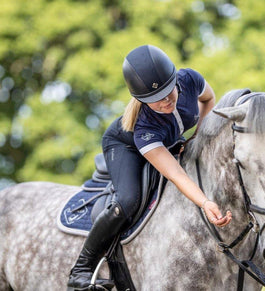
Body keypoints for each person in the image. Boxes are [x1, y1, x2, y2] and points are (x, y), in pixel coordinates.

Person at [67, 45, 232, 289]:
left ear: (176, 80)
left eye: (168, 93)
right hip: (126, 146)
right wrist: (205, 202)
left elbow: (208, 99)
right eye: (155, 100)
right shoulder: (145, 128)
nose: (165, 101)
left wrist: (197, 137)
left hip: (166, 139)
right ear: (140, 100)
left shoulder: (190, 79)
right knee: (128, 201)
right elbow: (176, 174)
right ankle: (81, 269)